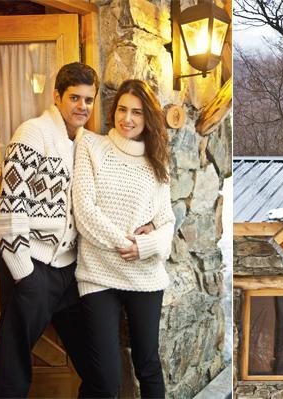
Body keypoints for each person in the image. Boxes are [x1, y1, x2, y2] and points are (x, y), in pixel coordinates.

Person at [0, 62, 98, 397]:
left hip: (68, 272)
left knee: (96, 366)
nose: (82, 106)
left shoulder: (84, 143)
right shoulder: (32, 133)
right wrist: (26, 274)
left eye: (89, 100)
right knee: (13, 368)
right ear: (57, 96)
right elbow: (11, 207)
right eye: (74, 98)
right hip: (33, 267)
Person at [72, 79, 174, 398]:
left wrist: (144, 246)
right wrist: (124, 243)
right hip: (97, 274)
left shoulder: (157, 163)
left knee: (148, 364)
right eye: (122, 110)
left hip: (144, 275)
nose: (127, 118)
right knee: (104, 376)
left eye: (137, 112)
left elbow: (167, 225)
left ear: (148, 119)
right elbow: (84, 209)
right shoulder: (90, 144)